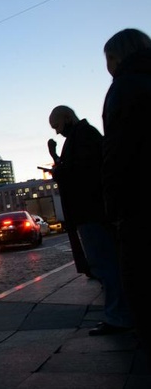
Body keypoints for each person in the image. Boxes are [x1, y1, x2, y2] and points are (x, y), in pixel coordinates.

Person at [48, 105, 133, 336]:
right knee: (105, 263)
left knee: (104, 264)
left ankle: (119, 316)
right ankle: (120, 313)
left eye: (56, 126)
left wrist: (60, 172)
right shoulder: (83, 135)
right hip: (91, 211)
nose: (57, 132)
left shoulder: (83, 137)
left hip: (91, 211)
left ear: (67, 118)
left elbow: (84, 174)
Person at [101, 28, 151, 348]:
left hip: (138, 198)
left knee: (139, 278)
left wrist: (114, 204)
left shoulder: (123, 87)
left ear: (116, 58)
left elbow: (117, 152)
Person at [46, 137, 91, 277]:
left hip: (85, 208)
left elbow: (69, 171)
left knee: (94, 247)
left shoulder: (80, 138)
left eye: (57, 126)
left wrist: (54, 157)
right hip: (81, 208)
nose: (57, 131)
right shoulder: (78, 138)